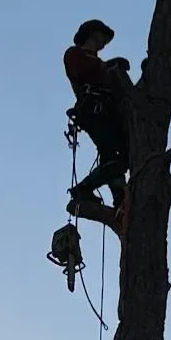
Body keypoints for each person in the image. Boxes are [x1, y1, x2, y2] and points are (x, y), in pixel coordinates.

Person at [63, 19, 131, 211]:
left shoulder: (98, 62)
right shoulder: (74, 53)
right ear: (92, 33)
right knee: (113, 155)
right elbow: (82, 71)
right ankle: (95, 190)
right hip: (92, 111)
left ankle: (119, 196)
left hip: (108, 112)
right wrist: (108, 67)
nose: (104, 42)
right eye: (102, 35)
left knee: (118, 156)